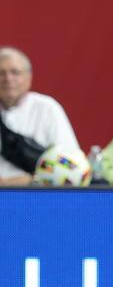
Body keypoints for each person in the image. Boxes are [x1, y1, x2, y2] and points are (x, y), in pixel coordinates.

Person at [0, 46, 79, 185]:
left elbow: (71, 164)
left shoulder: (47, 108)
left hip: (37, 193)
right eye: (1, 73)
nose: (8, 78)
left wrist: (33, 179)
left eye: (15, 72)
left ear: (29, 77)